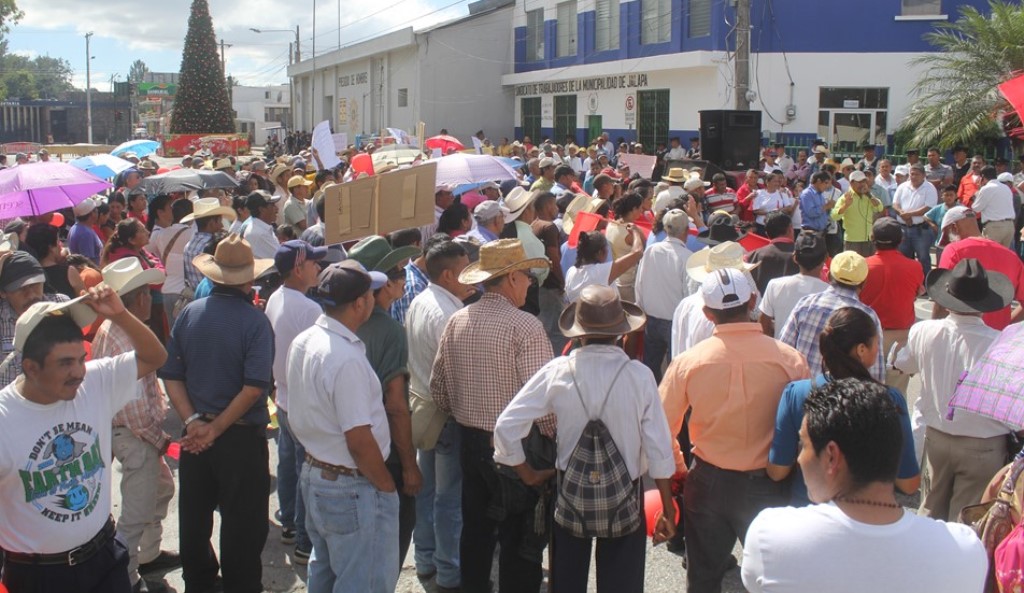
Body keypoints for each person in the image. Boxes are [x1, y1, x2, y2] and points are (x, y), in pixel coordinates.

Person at [493, 285, 677, 593]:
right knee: (622, 585)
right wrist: (668, 511)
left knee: (566, 582)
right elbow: (659, 451)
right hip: (625, 494)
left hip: (570, 492)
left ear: (577, 334)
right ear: (622, 333)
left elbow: (506, 426)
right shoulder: (639, 375)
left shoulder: (559, 371)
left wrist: (528, 474)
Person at [742, 378, 987, 593]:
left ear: (831, 456)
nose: (799, 458)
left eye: (803, 445)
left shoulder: (771, 535)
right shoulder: (965, 550)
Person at [0, 283, 166, 593]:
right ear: (30, 368)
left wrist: (120, 314)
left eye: (80, 359)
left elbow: (155, 356)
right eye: (65, 363)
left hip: (105, 556)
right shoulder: (5, 419)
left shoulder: (94, 381)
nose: (78, 372)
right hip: (40, 578)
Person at [661, 268, 809, 593]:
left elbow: (661, 427)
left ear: (707, 313)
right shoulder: (789, 359)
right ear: (753, 300)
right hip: (769, 482)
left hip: (708, 480)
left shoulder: (688, 362)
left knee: (702, 577)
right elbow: (805, 426)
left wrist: (681, 470)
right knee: (776, 579)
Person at [430, 239, 554, 593]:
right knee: (521, 539)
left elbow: (438, 387)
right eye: (527, 275)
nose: (530, 282)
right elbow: (543, 401)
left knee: (476, 530)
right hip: (518, 447)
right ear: (512, 278)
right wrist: (553, 439)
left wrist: (465, 412)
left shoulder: (457, 319)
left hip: (470, 440)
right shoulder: (525, 326)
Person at [158, 234, 275, 593]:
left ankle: (199, 584)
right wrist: (215, 427)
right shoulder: (254, 322)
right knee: (242, 524)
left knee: (194, 519)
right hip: (237, 436)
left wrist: (194, 422)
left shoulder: (189, 313)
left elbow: (172, 376)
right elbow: (254, 387)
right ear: (249, 279)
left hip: (197, 434)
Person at [286, 260, 400, 593]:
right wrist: (385, 485)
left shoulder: (306, 340)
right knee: (362, 582)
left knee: (325, 571)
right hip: (351, 484)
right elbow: (359, 439)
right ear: (360, 303)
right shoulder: (344, 358)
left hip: (318, 474)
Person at [895, 258, 1016, 521]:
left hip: (937, 435)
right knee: (967, 520)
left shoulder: (923, 330)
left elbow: (905, 364)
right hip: (983, 445)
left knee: (929, 511)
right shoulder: (1001, 343)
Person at [766, 307, 920, 506]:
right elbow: (909, 484)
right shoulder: (890, 400)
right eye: (876, 343)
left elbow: (777, 471)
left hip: (807, 511)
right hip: (867, 516)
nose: (878, 349)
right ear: (861, 350)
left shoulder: (795, 394)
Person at [92, 259, 178, 593]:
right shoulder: (125, 334)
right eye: (145, 293)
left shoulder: (117, 329)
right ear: (135, 298)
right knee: (134, 515)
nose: (150, 299)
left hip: (132, 434)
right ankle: (127, 578)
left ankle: (149, 555)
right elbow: (134, 409)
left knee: (160, 491)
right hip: (135, 435)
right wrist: (157, 438)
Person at [347, 236, 424, 568]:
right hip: (382, 451)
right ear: (383, 284)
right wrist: (409, 465)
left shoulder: (338, 322)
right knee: (387, 548)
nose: (403, 276)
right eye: (396, 270)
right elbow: (395, 405)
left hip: (343, 450)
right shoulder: (389, 331)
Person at [407, 239, 473, 593]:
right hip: (444, 415)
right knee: (448, 499)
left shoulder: (421, 300)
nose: (472, 278)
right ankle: (448, 573)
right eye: (465, 271)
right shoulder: (449, 314)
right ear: (447, 275)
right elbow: (457, 375)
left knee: (429, 491)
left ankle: (427, 559)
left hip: (425, 410)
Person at [264, 240, 327, 567]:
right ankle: (304, 541)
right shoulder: (309, 309)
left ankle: (289, 523)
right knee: (305, 472)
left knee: (288, 464)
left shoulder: (277, 297)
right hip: (300, 400)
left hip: (283, 397)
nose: (319, 267)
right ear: (298, 269)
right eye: (314, 263)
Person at [781, 251, 885, 382]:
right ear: (863, 283)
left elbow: (784, 350)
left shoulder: (806, 304)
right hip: (844, 397)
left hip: (803, 392)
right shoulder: (868, 316)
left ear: (829, 275)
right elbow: (875, 371)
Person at [858, 218, 924, 394]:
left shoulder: (862, 266)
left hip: (867, 334)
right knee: (897, 393)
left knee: (865, 392)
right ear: (901, 240)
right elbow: (918, 292)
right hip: (901, 337)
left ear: (872, 238)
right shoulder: (915, 267)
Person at [935, 206, 1024, 330]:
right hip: (996, 339)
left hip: (961, 335)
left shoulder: (954, 250)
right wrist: (1005, 327)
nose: (948, 241)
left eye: (946, 235)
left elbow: (941, 300)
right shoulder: (1011, 256)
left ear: (954, 228)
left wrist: (933, 330)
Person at [635, 209, 692, 382]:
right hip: (675, 322)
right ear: (685, 231)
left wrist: (641, 312)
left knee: (651, 368)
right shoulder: (687, 257)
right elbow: (689, 293)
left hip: (651, 319)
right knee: (675, 369)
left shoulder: (651, 251)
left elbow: (639, 284)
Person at [758, 233, 829, 339]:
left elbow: (763, 326)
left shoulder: (774, 285)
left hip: (780, 353)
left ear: (795, 257)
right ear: (826, 258)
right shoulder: (831, 294)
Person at [564, 228, 643, 304]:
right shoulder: (601, 272)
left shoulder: (571, 271)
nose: (608, 251)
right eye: (606, 248)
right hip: (604, 317)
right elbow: (638, 252)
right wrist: (635, 232)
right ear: (600, 252)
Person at [893, 163, 939, 277]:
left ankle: (925, 284)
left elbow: (928, 208)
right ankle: (907, 283)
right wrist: (903, 214)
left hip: (921, 230)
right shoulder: (903, 186)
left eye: (916, 174)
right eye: (911, 174)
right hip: (903, 228)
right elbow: (895, 204)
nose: (913, 176)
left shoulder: (929, 188)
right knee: (904, 258)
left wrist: (909, 215)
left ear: (923, 175)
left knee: (923, 258)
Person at [831, 170, 884, 256]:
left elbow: (879, 208)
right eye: (859, 182)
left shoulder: (868, 196)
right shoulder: (845, 198)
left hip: (869, 239)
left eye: (864, 181)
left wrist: (869, 195)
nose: (862, 184)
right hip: (853, 241)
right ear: (851, 183)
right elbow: (834, 216)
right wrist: (845, 206)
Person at [24, 223, 85, 299]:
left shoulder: (28, 277)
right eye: (58, 241)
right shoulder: (69, 271)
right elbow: (84, 301)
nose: (61, 245)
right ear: (51, 248)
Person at [746, 211, 798, 295]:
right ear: (790, 229)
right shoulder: (804, 254)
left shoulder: (750, 256)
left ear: (767, 234)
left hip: (761, 305)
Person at [971, 165, 1017, 248]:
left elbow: (976, 208)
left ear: (982, 177)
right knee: (1004, 257)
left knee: (990, 257)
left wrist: (978, 192)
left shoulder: (986, 188)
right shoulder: (1006, 188)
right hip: (1009, 226)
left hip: (994, 227)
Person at [240, 190, 282, 259]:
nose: (277, 208)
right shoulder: (260, 233)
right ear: (262, 209)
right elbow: (282, 259)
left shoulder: (258, 226)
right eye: (272, 205)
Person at [68, 197, 104, 265]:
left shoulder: (77, 228)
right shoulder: (85, 233)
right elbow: (88, 262)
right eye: (95, 209)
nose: (98, 211)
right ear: (92, 214)